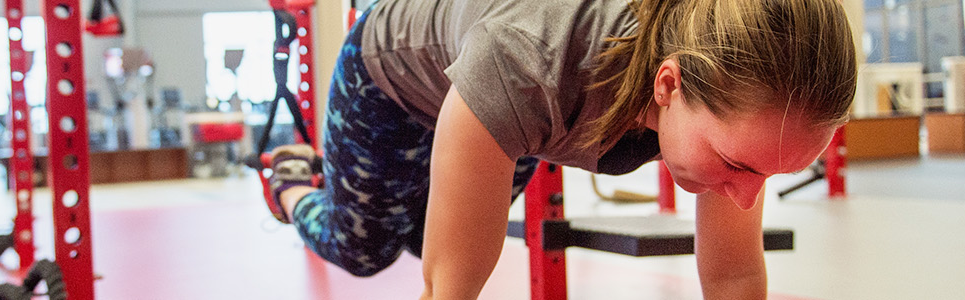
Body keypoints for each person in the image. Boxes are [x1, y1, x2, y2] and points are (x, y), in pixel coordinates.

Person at [261, 0, 857, 298]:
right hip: (391, 78)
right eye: (738, 167)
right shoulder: (531, 71)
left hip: (501, 112)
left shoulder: (729, 99)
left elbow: (733, 277)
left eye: (772, 175)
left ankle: (340, 175)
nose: (749, 193)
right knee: (364, 247)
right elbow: (450, 290)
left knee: (424, 237)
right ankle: (292, 179)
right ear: (668, 85)